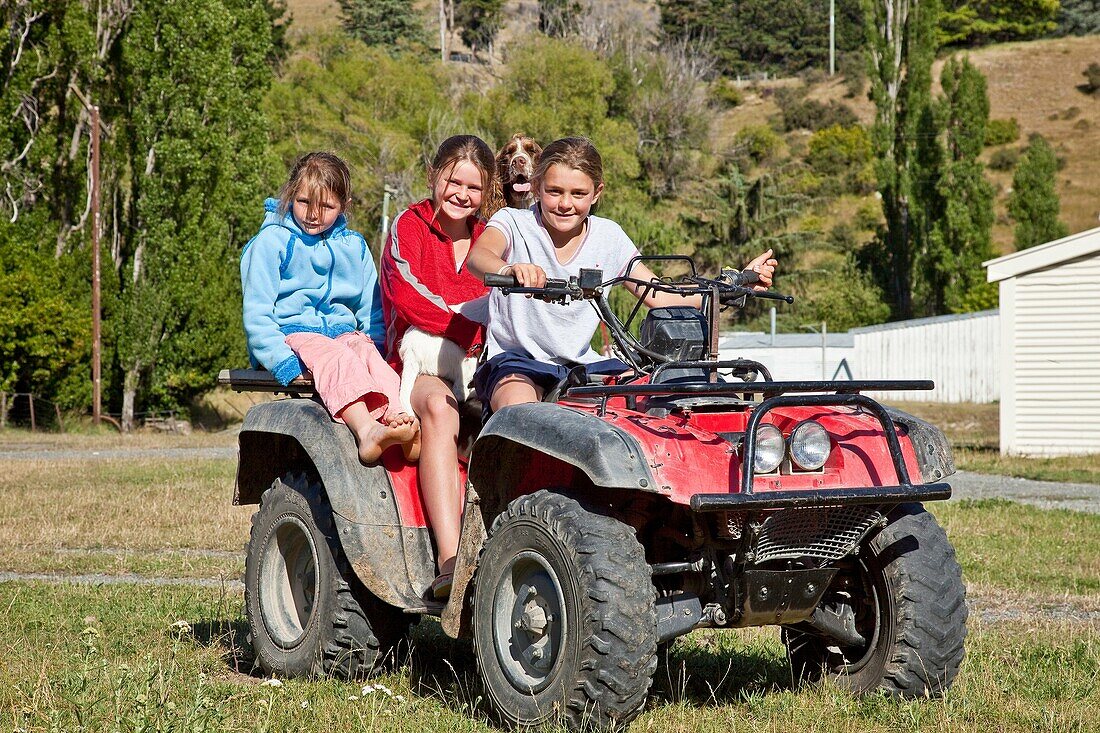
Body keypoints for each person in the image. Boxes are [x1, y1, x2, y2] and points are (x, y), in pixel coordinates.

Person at [467, 136, 778, 412]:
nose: (565, 204)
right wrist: (509, 269)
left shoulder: (608, 236)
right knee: (521, 412)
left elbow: (658, 294)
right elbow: (479, 257)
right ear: (536, 187)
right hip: (517, 362)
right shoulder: (513, 222)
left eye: (578, 193)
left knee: (658, 398)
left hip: (582, 364)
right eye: (554, 191)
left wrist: (734, 286)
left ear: (596, 193)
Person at [241, 151, 419, 465]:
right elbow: (257, 312)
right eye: (304, 202)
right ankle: (367, 432)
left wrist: (376, 347)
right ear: (289, 195)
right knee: (335, 355)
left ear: (344, 205)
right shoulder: (271, 242)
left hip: (341, 334)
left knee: (363, 351)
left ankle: (400, 420)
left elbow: (371, 309)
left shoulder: (353, 246)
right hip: (291, 337)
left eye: (327, 206)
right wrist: (281, 361)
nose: (313, 214)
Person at [379, 135, 497, 600]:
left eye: (473, 186)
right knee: (441, 409)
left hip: (480, 364)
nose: (461, 194)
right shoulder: (408, 227)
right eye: (453, 180)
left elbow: (507, 303)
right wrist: (471, 327)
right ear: (434, 176)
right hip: (418, 358)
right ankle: (451, 561)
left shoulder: (492, 239)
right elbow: (410, 297)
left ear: (486, 193)